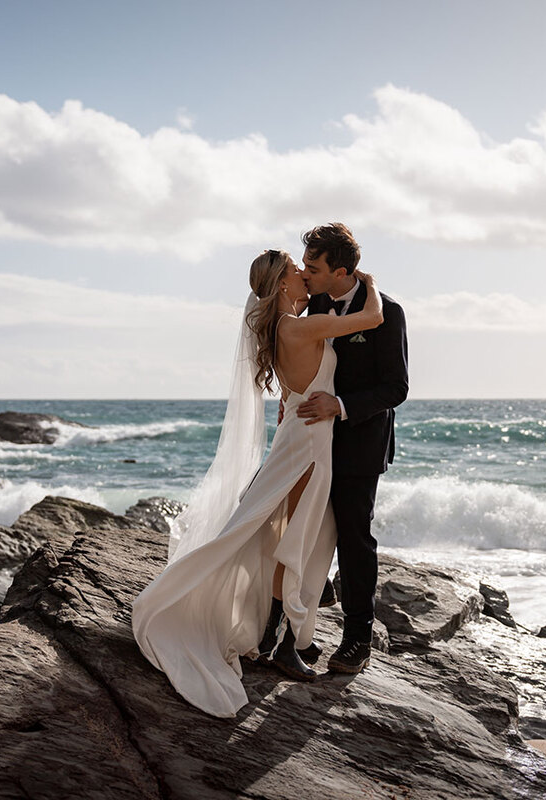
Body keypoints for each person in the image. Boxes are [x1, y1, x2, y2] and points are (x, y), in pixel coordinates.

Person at [131, 248, 384, 718]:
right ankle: (285, 643)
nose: (305, 276)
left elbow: (295, 388)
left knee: (285, 535)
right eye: (297, 271)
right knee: (299, 540)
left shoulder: (283, 326)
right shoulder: (298, 326)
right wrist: (365, 280)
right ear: (283, 285)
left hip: (301, 438)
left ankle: (273, 636)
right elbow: (372, 317)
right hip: (310, 445)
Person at [295, 223, 409, 674]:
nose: (305, 273)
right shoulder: (315, 303)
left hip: (360, 441)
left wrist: (340, 406)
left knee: (354, 539)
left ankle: (357, 638)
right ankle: (296, 626)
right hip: (312, 439)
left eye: (313, 266)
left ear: (340, 271)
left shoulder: (388, 312)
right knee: (299, 523)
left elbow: (396, 388)